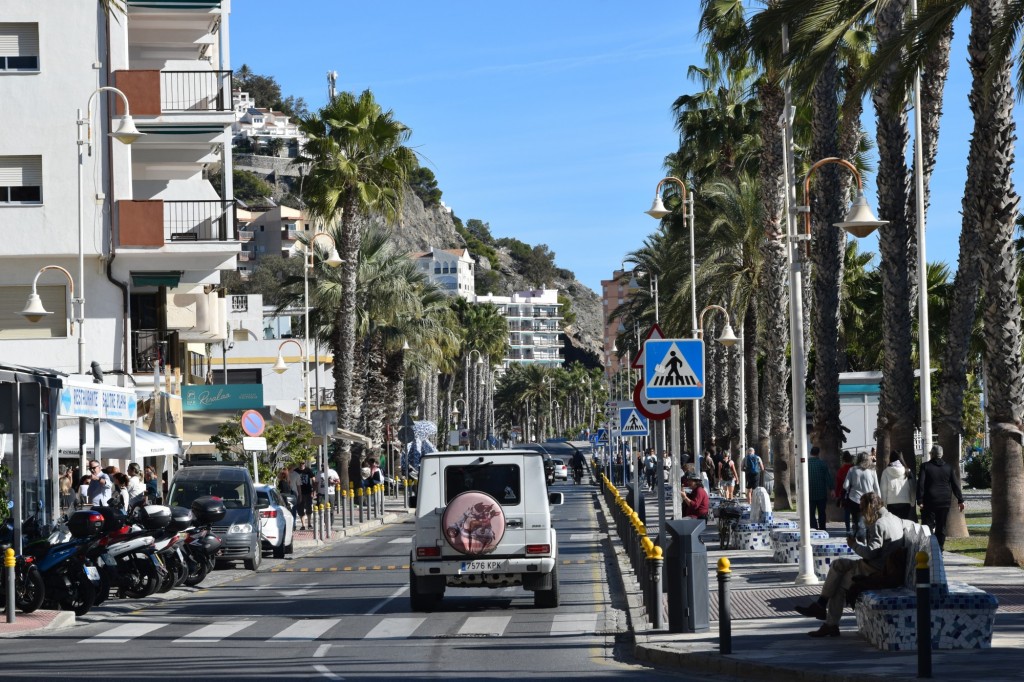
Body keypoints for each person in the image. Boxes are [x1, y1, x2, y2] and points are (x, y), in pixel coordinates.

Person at [795, 492, 906, 637]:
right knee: (838, 565)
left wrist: (853, 545)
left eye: (862, 508)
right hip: (885, 566)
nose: (861, 512)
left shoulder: (878, 524)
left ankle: (828, 619)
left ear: (869, 507)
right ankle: (822, 610)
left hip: (875, 569)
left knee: (839, 582)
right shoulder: (895, 519)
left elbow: (871, 553)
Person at [917, 444, 964, 550]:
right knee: (941, 526)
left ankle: (928, 547)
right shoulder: (948, 467)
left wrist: (920, 499)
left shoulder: (925, 466)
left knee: (927, 525)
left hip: (929, 500)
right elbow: (955, 484)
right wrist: (960, 500)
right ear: (941, 455)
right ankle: (940, 548)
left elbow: (921, 484)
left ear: (932, 454)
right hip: (944, 500)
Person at [843, 452, 881, 539]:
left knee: (856, 520)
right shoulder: (872, 471)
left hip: (854, 498)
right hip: (869, 500)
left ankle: (858, 536)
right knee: (868, 520)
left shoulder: (852, 470)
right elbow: (876, 487)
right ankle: (865, 537)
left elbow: (845, 486)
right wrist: (879, 500)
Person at [880, 451, 916, 521]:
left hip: (891, 503)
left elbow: (883, 489)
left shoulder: (886, 472)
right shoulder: (908, 471)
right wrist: (912, 501)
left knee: (893, 525)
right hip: (906, 502)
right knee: (904, 524)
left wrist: (884, 504)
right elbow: (912, 488)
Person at [807, 446, 834, 531]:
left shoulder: (806, 464)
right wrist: (832, 489)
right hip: (821, 493)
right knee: (822, 512)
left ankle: (814, 528)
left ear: (810, 453)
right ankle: (822, 529)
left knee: (811, 513)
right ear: (818, 453)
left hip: (809, 493)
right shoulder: (822, 464)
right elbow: (828, 477)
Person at [834, 451, 855, 534]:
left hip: (845, 493)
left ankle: (847, 529)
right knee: (854, 512)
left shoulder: (841, 470)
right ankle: (855, 528)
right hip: (854, 492)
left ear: (843, 460)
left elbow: (839, 483)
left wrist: (837, 494)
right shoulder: (854, 469)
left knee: (847, 512)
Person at [294, 460, 314, 530]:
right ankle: (303, 525)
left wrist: (314, 490)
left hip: (308, 492)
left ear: (305, 464)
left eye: (303, 463)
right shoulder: (295, 471)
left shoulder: (308, 470)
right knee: (300, 509)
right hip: (299, 493)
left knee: (309, 508)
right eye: (300, 463)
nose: (302, 464)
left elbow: (313, 479)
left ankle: (309, 524)